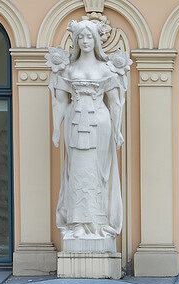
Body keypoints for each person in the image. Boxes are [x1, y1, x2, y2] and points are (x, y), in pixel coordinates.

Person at [47, 20, 129, 242]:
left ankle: (98, 224)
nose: (84, 41)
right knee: (77, 172)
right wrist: (56, 129)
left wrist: (118, 131)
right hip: (74, 122)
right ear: (75, 40)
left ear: (95, 40)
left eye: (89, 37)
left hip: (100, 123)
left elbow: (115, 103)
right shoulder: (69, 69)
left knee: (98, 172)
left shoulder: (106, 69)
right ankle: (78, 224)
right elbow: (60, 102)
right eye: (81, 37)